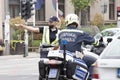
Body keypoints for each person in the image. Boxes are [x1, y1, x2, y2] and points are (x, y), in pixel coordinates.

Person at [58, 13, 98, 80]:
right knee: (94, 61)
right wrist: (98, 42)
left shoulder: (61, 32)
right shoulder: (80, 33)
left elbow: (60, 43)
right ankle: (90, 78)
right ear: (77, 22)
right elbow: (93, 41)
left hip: (62, 57)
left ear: (67, 22)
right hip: (74, 57)